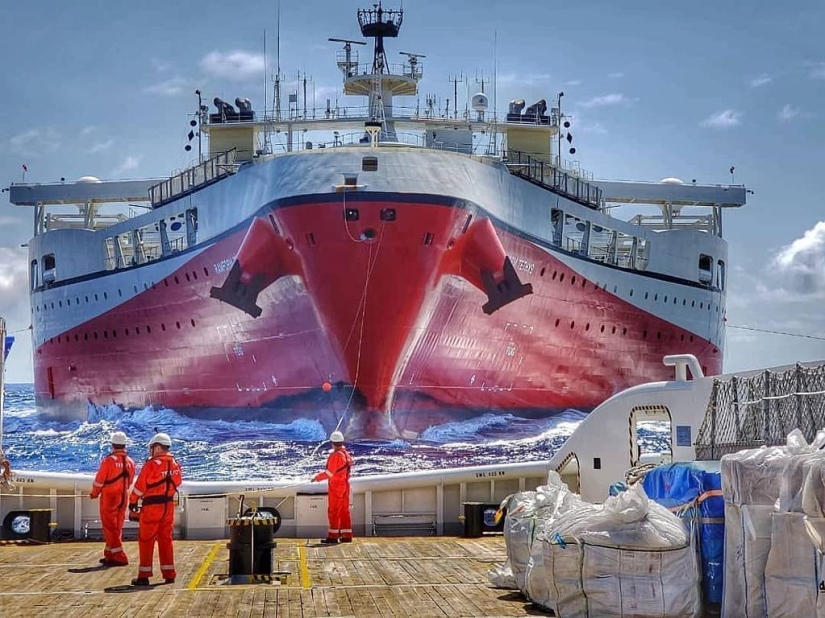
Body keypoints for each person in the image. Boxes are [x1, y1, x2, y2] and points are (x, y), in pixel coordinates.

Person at [129, 432, 182, 586]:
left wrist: (132, 503)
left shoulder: (151, 465)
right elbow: (177, 482)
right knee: (166, 540)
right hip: (168, 507)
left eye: (152, 448)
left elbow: (139, 487)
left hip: (152, 508)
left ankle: (144, 576)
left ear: (157, 447)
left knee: (146, 540)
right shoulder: (175, 463)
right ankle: (169, 574)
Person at [89, 431, 135, 566]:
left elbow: (99, 480)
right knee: (117, 526)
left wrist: (95, 493)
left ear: (113, 445)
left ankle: (119, 556)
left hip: (110, 497)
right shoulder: (130, 462)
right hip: (123, 497)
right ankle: (109, 554)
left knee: (110, 527)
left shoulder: (109, 461)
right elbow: (130, 480)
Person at [312, 430, 354, 544]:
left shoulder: (335, 456)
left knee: (334, 511)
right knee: (345, 511)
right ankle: (347, 535)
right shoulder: (346, 454)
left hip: (336, 487)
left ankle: (333, 536)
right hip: (345, 485)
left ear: (332, 443)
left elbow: (329, 473)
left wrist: (316, 478)